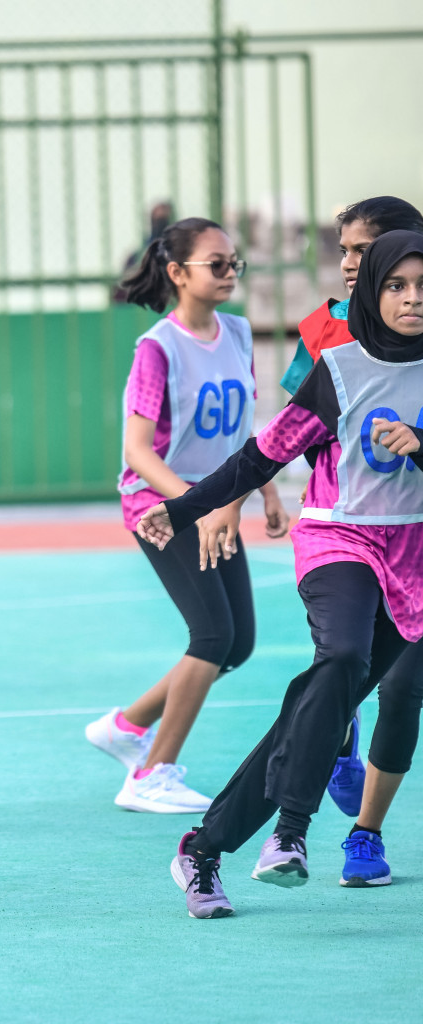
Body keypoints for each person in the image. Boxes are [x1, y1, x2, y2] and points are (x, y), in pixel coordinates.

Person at [142, 230, 423, 918]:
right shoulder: (340, 370)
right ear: (373, 291)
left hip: (411, 560)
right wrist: (182, 510)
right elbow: (259, 457)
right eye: (398, 285)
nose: (414, 298)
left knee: (314, 714)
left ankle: (202, 850)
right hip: (339, 541)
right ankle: (289, 837)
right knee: (345, 656)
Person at [85, 217, 288, 813]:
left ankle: (126, 726)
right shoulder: (158, 348)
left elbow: (245, 422)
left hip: (217, 501)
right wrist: (191, 507)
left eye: (234, 263)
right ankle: (151, 773)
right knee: (213, 634)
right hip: (163, 508)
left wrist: (265, 486)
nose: (230, 273)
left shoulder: (240, 333)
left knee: (241, 641)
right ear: (177, 273)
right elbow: (137, 451)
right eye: (216, 264)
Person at [276, 196, 423, 885]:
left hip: (414, 535)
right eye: (344, 251)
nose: (350, 262)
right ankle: (331, 752)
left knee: (404, 689)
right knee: (343, 659)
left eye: (363, 250)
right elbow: (288, 433)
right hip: (351, 530)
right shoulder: (325, 334)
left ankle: (366, 834)